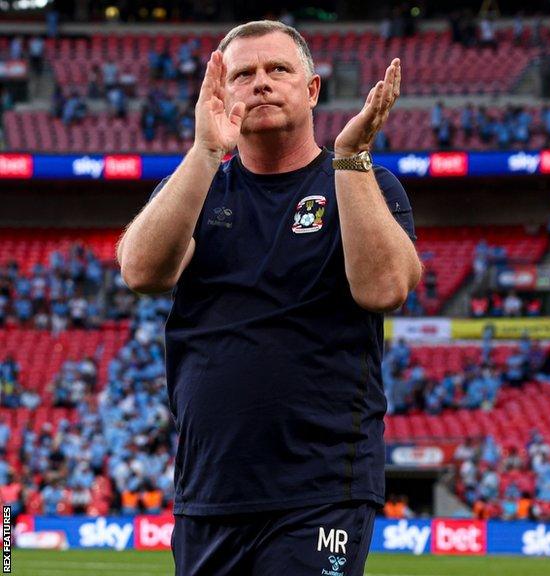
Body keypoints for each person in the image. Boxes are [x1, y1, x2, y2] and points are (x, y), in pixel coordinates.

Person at [116, 21, 420, 576]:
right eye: (243, 74)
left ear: (311, 90)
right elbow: (141, 271)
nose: (260, 83)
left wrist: (351, 156)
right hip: (209, 490)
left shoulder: (364, 181)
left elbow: (385, 289)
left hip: (322, 487)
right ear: (221, 94)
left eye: (278, 69)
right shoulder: (198, 185)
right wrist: (205, 151)